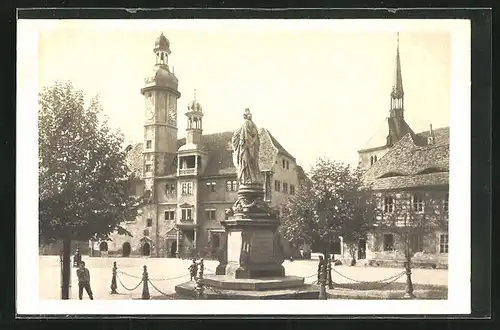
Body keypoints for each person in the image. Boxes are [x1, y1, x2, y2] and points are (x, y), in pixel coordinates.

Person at [231, 108, 263, 185]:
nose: (250, 115)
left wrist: (252, 141)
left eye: (250, 114)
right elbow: (242, 136)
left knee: (251, 162)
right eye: (248, 114)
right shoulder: (245, 124)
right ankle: (247, 179)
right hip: (246, 147)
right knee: (246, 162)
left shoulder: (252, 124)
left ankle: (250, 179)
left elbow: (254, 135)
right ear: (245, 115)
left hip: (251, 147)